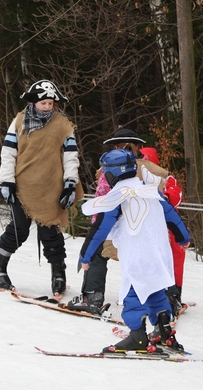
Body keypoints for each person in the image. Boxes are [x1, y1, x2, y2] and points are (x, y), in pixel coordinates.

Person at [80, 149, 191, 354]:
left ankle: (137, 337)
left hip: (139, 255)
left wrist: (85, 256)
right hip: (159, 253)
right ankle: (164, 332)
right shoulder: (150, 191)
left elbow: (100, 229)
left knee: (134, 294)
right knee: (155, 290)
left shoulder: (117, 197)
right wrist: (183, 237)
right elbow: (172, 216)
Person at [0, 80, 83, 296]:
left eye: (50, 103)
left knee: (50, 232)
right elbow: (8, 152)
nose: (47, 106)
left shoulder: (62, 124)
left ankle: (58, 273)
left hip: (51, 186)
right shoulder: (19, 121)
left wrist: (70, 182)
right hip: (23, 186)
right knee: (18, 229)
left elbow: (70, 156)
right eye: (43, 103)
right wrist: (7, 181)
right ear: (34, 102)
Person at [67, 128, 179, 316]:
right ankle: (168, 298)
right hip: (146, 231)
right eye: (121, 146)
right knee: (154, 260)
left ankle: (92, 296)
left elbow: (103, 201)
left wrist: (98, 229)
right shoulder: (151, 170)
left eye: (129, 146)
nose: (125, 149)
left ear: (137, 147)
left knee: (98, 254)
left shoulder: (113, 169)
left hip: (123, 229)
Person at [139, 146, 187, 317]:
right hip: (147, 226)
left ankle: (173, 295)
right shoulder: (137, 177)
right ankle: (145, 295)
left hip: (168, 225)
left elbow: (177, 195)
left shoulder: (166, 177)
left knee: (173, 259)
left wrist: (164, 198)